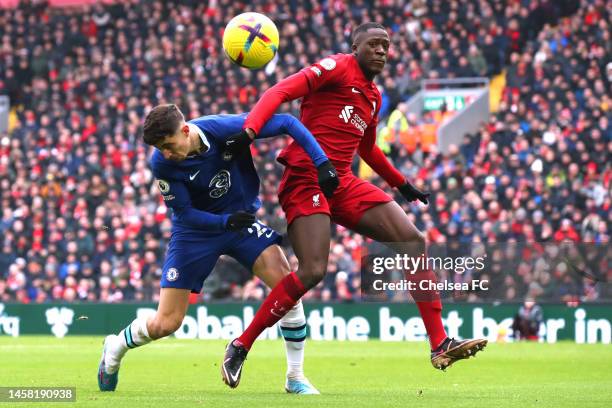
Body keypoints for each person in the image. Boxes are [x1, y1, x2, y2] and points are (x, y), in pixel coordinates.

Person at [221, 22, 487, 380]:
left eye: (386, 46)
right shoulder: (335, 67)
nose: (381, 50)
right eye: (374, 44)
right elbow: (280, 90)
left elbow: (368, 149)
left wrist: (401, 184)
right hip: (306, 176)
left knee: (411, 240)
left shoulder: (373, 96)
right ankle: (241, 345)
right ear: (355, 46)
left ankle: (439, 343)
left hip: (343, 181)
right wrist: (249, 130)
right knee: (313, 270)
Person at [97, 104, 339, 394]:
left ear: (186, 131)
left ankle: (295, 376)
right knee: (167, 323)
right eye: (161, 148)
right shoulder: (161, 163)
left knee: (288, 288)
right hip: (196, 233)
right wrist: (225, 222)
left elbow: (287, 122)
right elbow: (184, 213)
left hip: (240, 223)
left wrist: (322, 161)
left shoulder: (224, 129)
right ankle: (115, 347)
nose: (167, 153)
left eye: (170, 145)